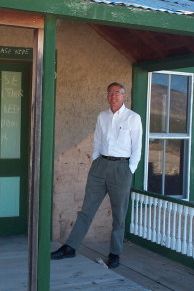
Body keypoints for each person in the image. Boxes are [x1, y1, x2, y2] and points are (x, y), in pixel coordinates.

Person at [51, 82, 142, 268]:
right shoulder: (102, 116)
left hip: (121, 168)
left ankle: (115, 253)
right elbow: (98, 140)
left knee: (119, 214)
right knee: (87, 209)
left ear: (124, 96)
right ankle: (70, 247)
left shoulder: (133, 118)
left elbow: (138, 147)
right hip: (100, 166)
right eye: (110, 93)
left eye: (117, 93)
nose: (113, 96)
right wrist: (95, 160)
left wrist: (129, 169)